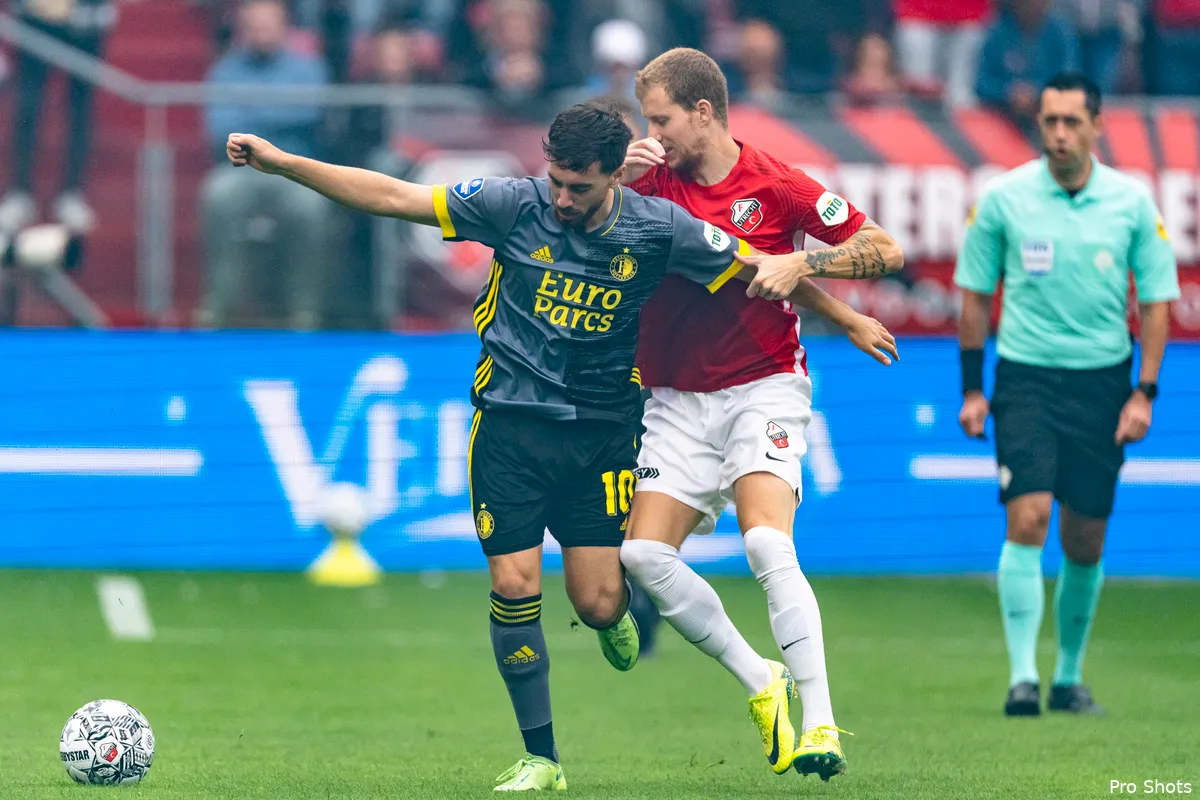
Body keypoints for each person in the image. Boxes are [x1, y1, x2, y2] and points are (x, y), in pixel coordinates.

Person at [223, 100, 853, 791]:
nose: (561, 197)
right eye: (554, 179)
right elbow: (393, 196)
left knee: (598, 604)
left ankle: (622, 619)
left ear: (616, 176)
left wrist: (848, 316)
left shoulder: (658, 228)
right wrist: (283, 164)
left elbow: (756, 271)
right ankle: (542, 757)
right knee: (514, 586)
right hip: (508, 429)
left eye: (578, 187)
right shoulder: (511, 206)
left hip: (601, 436)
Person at [619, 48, 904, 781]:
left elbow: (884, 247)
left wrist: (809, 266)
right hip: (675, 399)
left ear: (703, 111)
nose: (653, 134)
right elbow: (738, 262)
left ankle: (822, 723)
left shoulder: (776, 186)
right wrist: (619, 176)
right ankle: (760, 681)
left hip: (762, 384)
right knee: (642, 557)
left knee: (768, 547)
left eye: (661, 119)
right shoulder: (648, 180)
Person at [955, 72, 1179, 717]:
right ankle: (1023, 679)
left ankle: (1068, 677)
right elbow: (974, 297)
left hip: (1104, 383)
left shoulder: (1133, 203)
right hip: (1024, 378)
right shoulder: (1003, 198)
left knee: (1086, 539)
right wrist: (973, 390)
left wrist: (1144, 393)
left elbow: (1159, 302)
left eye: (1070, 122)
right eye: (1048, 122)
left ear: (1096, 126)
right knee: (1027, 518)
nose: (1057, 134)